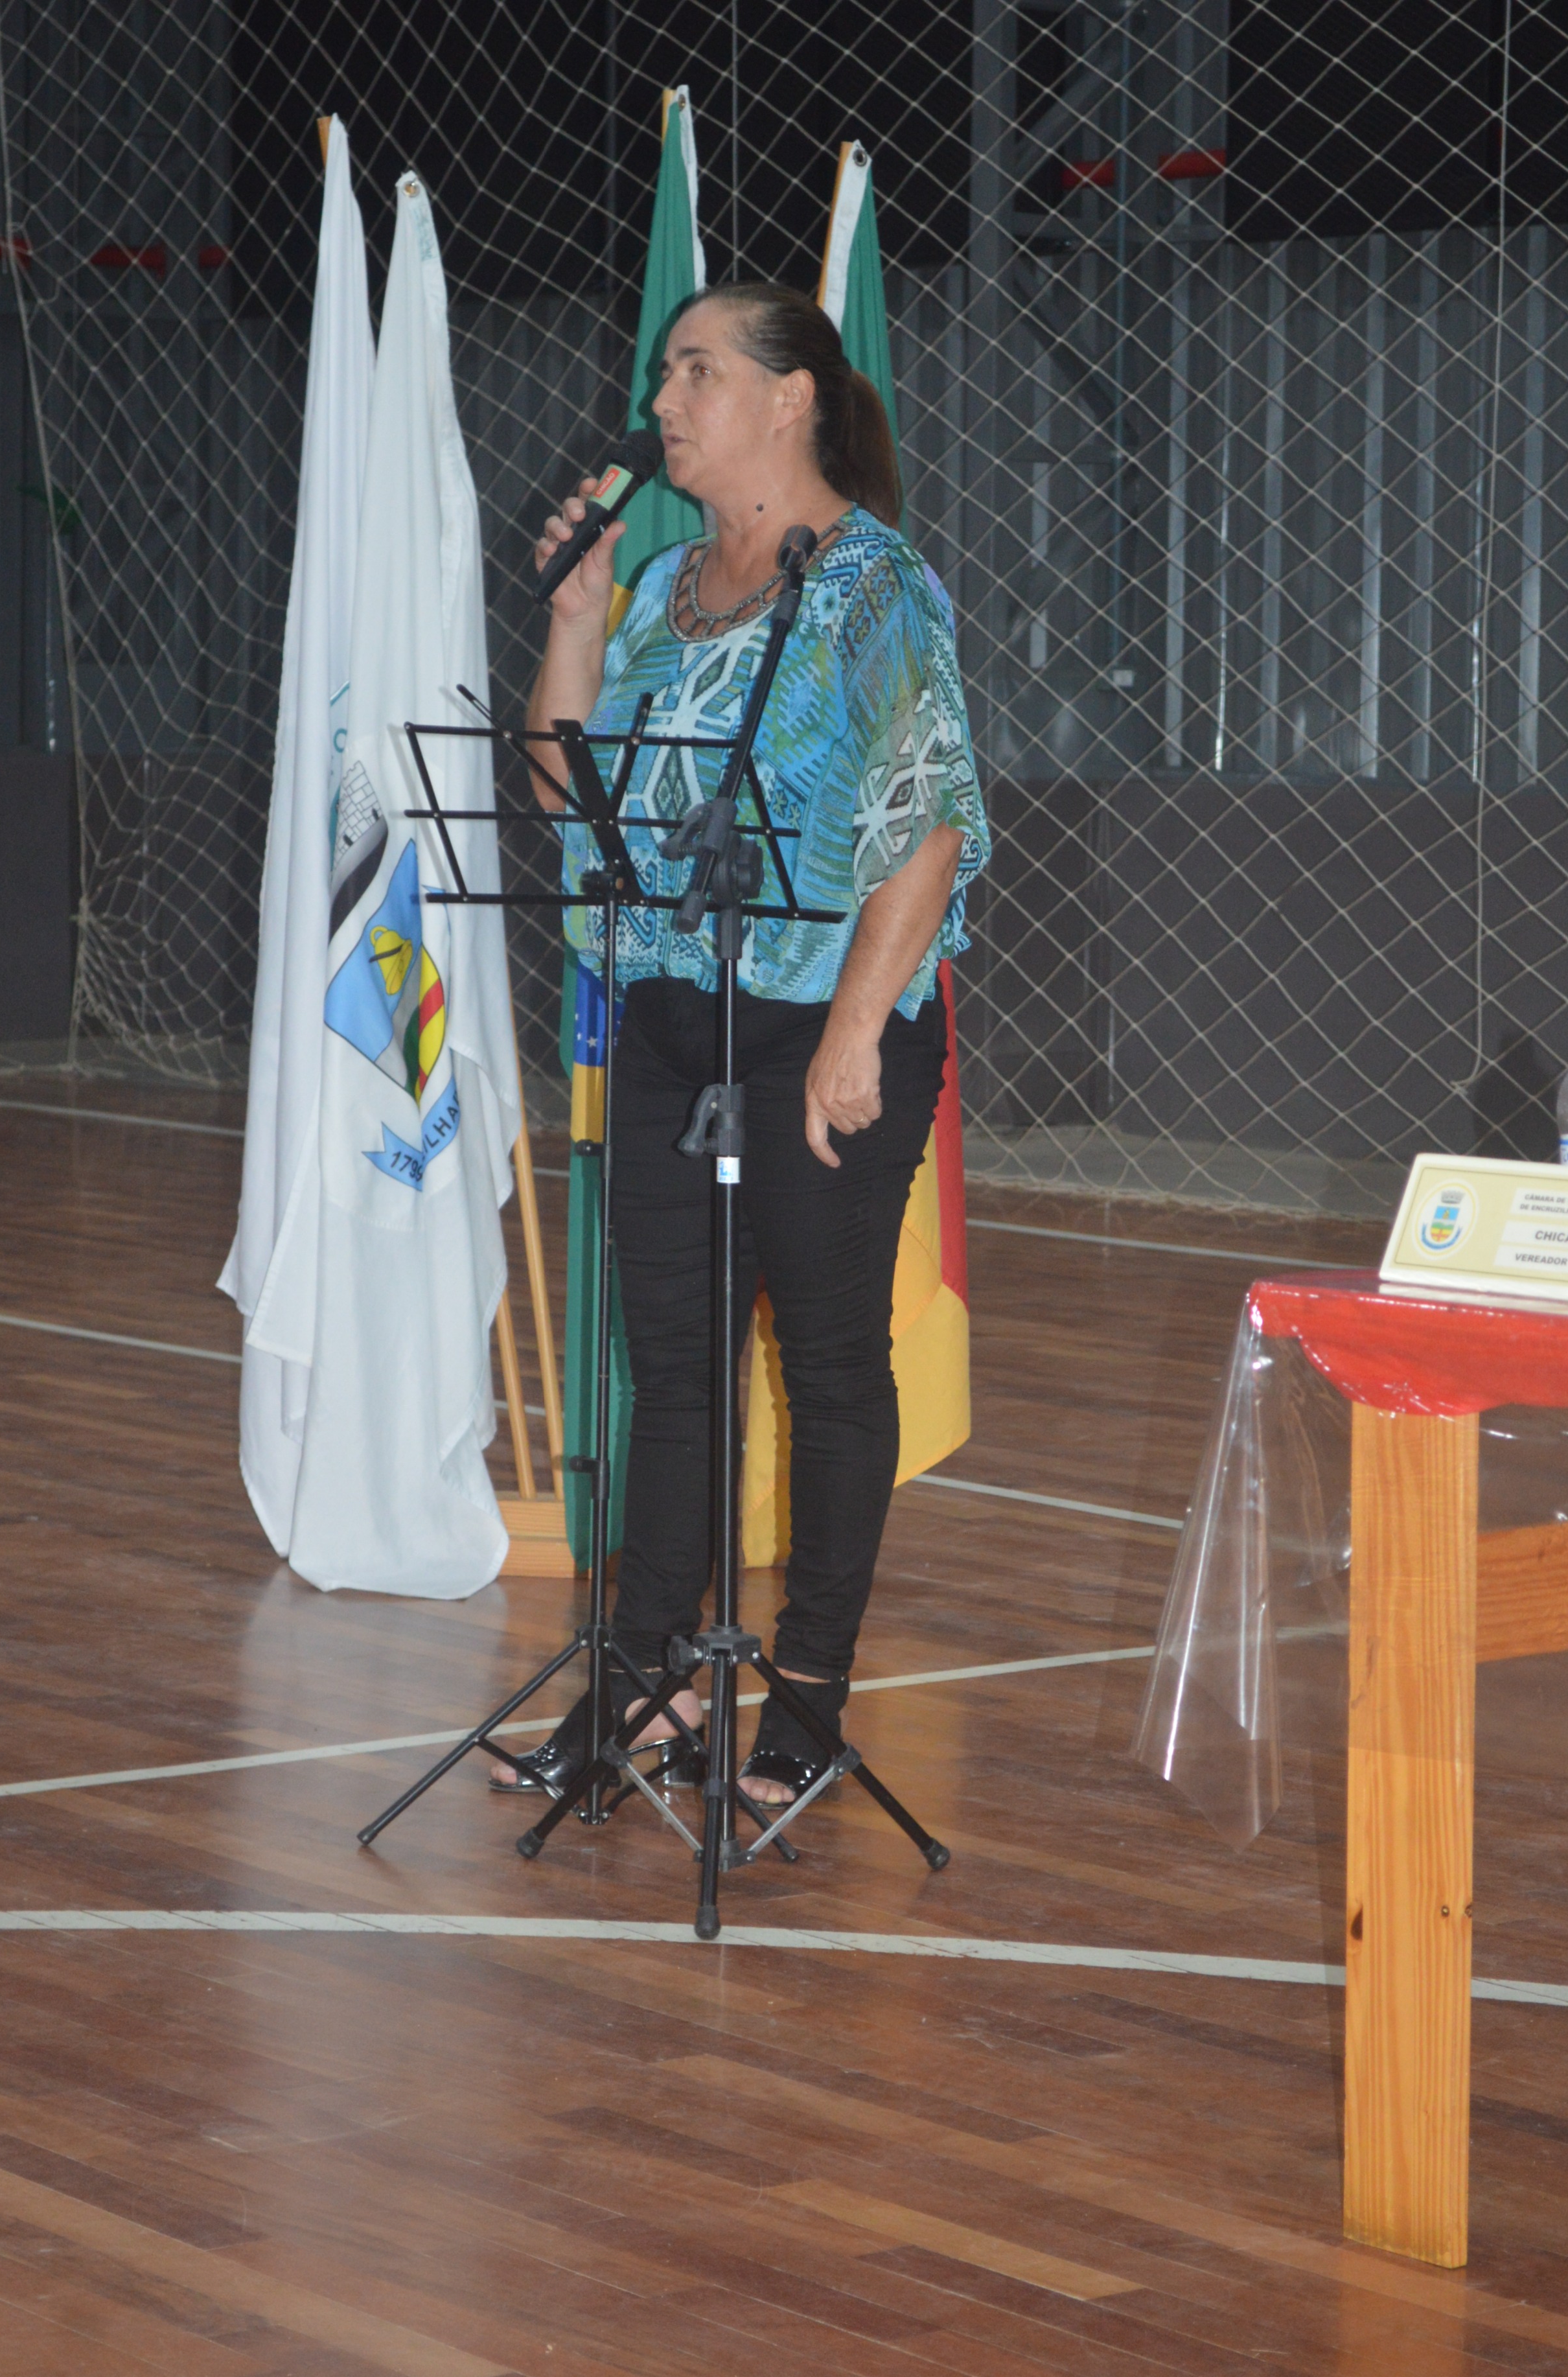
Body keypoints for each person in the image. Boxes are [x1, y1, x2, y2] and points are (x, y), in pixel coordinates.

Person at [496, 281, 988, 1810]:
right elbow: (566, 794)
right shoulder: (656, 588)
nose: (663, 402)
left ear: (791, 398)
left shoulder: (874, 585)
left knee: (829, 1363)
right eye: (665, 375)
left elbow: (930, 823)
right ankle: (644, 1682)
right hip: (668, 1025)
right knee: (674, 1365)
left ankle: (808, 1706)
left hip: (817, 1029)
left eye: (696, 372)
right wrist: (573, 621)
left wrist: (853, 1036)